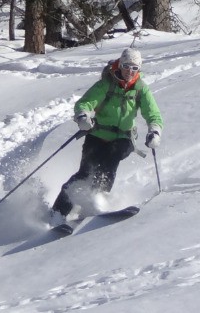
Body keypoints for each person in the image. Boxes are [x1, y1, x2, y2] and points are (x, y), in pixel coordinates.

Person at [51, 46, 163, 233]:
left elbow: (153, 114)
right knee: (85, 172)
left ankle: (96, 201)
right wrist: (83, 117)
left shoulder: (140, 89)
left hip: (123, 138)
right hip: (97, 135)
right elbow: (85, 103)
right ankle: (58, 213)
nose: (130, 71)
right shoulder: (106, 84)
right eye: (127, 66)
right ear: (120, 64)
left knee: (111, 161)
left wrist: (155, 132)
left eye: (135, 68)